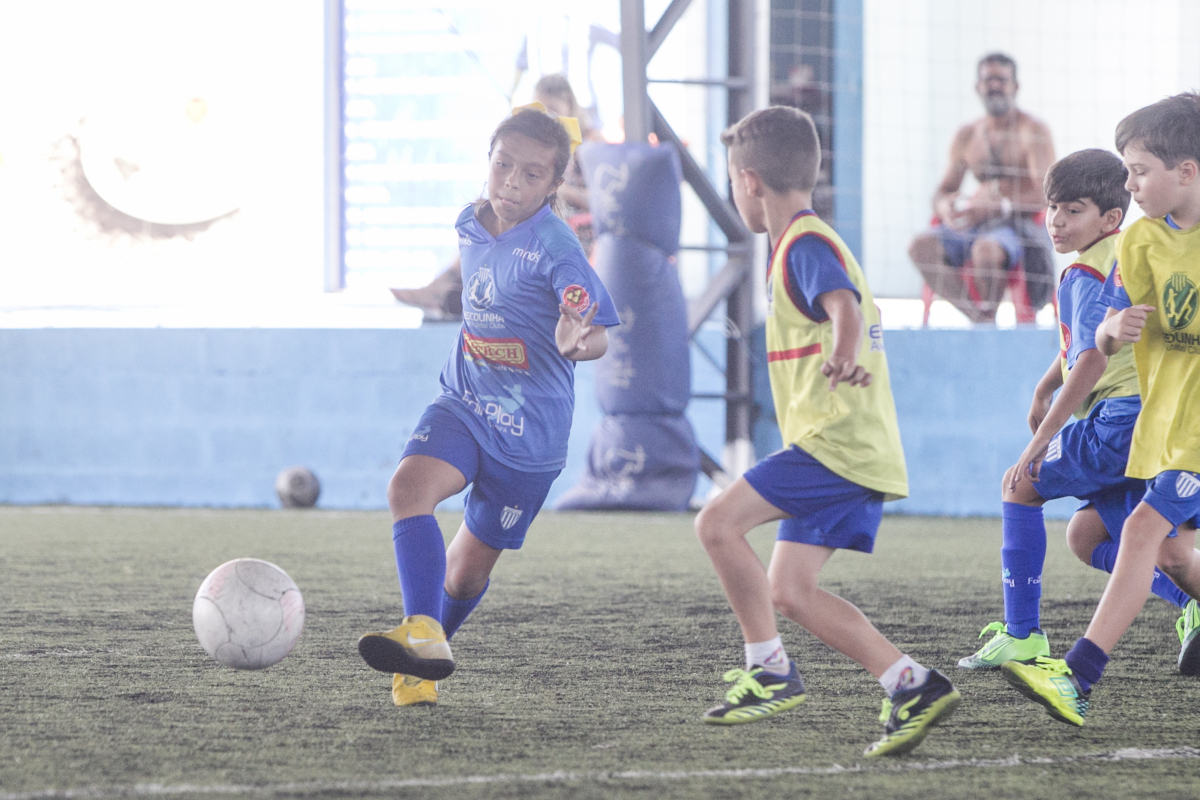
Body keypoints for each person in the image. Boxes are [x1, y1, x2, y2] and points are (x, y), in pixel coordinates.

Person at [696, 105, 960, 757]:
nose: (736, 194)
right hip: (848, 450)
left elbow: (840, 304)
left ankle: (769, 670)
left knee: (716, 524)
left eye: (733, 182)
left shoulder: (805, 244)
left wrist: (843, 352)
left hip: (834, 447)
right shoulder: (805, 242)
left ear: (750, 181)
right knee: (789, 590)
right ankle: (910, 683)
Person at [358, 103, 621, 707]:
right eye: (504, 165)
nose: (512, 182)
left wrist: (580, 339)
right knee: (408, 488)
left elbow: (596, 331)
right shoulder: (471, 222)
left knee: (466, 572)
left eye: (532, 174)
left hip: (530, 435)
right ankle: (420, 632)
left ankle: (421, 662)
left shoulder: (558, 248)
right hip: (465, 400)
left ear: (555, 185)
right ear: (489, 161)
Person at [957, 148, 1198, 672]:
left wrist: (1042, 436)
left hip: (1117, 421)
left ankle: (1022, 636)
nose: (1056, 222)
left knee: (1019, 484)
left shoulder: (1085, 273)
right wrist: (1044, 386)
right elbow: (1078, 347)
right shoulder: (1130, 253)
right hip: (1154, 421)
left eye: (1073, 210)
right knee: (1088, 536)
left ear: (1110, 217)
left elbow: (1090, 358)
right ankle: (1190, 605)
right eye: (1053, 208)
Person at [1003, 93, 1200, 726]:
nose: (1132, 183)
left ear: (1187, 171)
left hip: (1178, 426)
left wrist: (1036, 444)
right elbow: (1099, 346)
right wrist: (1115, 329)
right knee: (1142, 546)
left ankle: (1075, 674)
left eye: (1140, 171)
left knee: (1142, 531)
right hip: (1160, 427)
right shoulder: (1139, 243)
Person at [391, 74, 603, 319]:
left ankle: (446, 290)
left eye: (553, 110)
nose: (546, 118)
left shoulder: (591, 145)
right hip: (532, 217)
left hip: (571, 227)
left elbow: (607, 200)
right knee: (490, 216)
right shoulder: (531, 146)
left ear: (570, 106)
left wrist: (562, 189)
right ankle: (449, 289)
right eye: (540, 110)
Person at [909, 53, 1057, 323]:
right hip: (976, 224)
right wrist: (946, 206)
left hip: (1019, 225)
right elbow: (943, 191)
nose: (994, 86)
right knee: (920, 247)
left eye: (1001, 80)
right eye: (988, 80)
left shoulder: (1032, 130)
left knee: (985, 250)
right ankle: (979, 318)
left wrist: (1001, 206)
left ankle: (991, 316)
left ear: (1015, 86)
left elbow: (1048, 192)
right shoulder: (967, 135)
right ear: (978, 86)